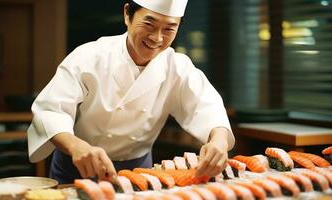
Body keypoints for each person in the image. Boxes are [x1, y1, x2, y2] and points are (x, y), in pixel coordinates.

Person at [28, 0, 235, 184]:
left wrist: (218, 141)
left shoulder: (177, 66)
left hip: (138, 172)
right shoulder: (89, 56)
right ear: (127, 14)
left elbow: (208, 106)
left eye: (169, 29)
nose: (157, 38)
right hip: (77, 167)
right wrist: (76, 147)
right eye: (149, 24)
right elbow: (51, 111)